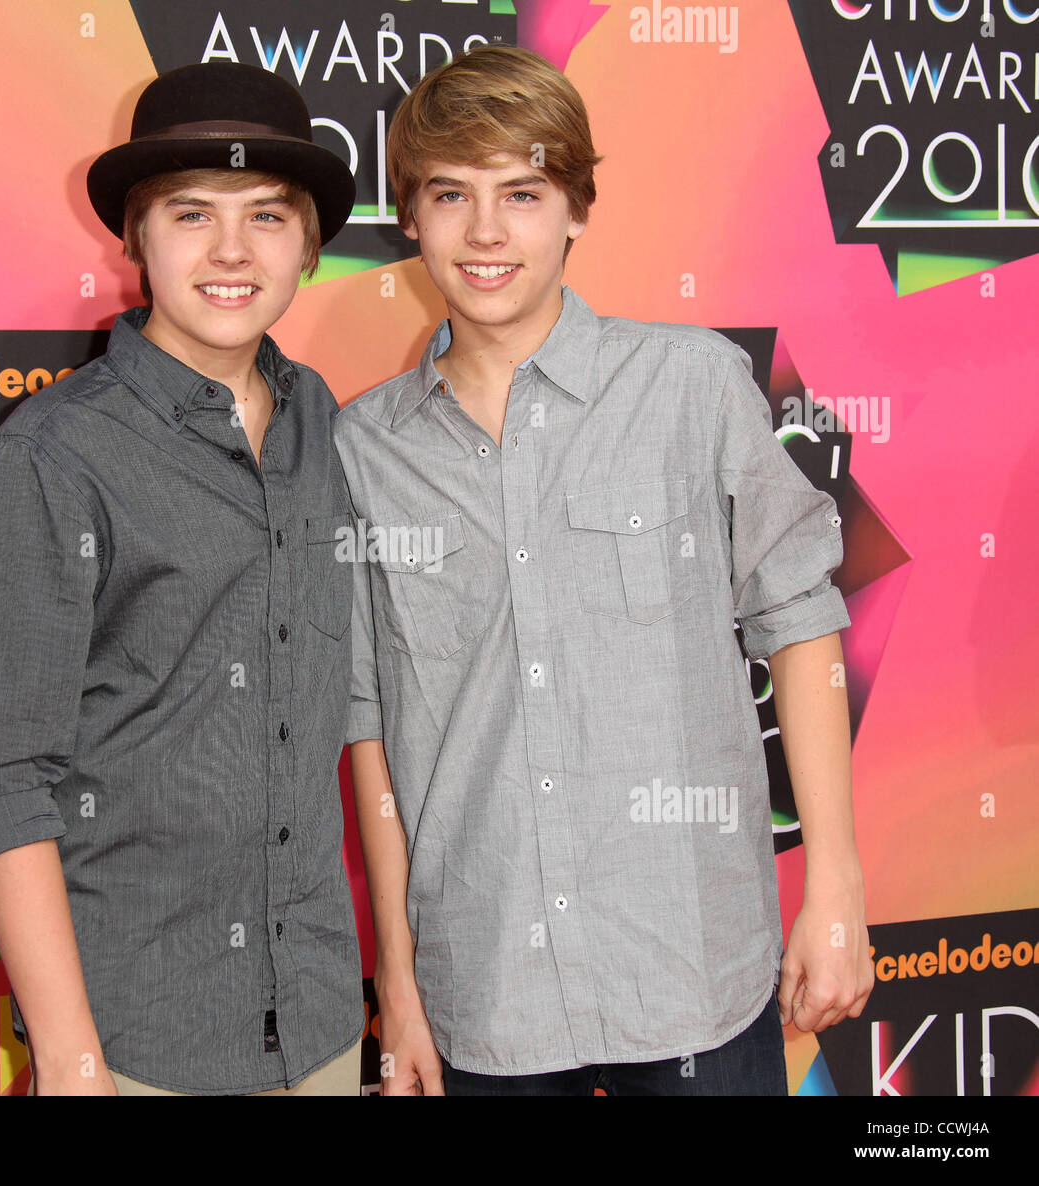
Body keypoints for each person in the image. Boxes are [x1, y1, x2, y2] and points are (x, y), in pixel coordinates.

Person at [337, 45, 874, 1096]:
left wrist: (836, 888)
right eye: (451, 195)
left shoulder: (691, 387)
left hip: (688, 966)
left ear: (576, 207)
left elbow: (800, 619)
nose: (486, 234)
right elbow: (371, 726)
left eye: (522, 194)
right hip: (483, 988)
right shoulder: (364, 449)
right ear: (410, 216)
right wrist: (398, 986)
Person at [0, 62, 364, 1096]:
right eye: (190, 214)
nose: (231, 251)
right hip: (137, 1045)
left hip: (317, 1025)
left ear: (308, 247)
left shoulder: (321, 420)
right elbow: (0, 779)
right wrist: (72, 1058)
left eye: (267, 216)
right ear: (135, 239)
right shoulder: (54, 457)